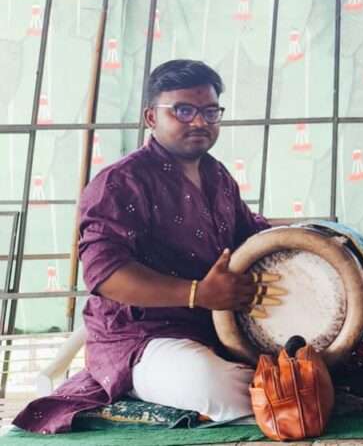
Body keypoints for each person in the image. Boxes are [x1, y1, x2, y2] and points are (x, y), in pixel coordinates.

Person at [15, 60, 274, 434]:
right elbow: (105, 275)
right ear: (151, 117)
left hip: (213, 327)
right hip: (139, 338)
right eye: (183, 110)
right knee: (231, 390)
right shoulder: (118, 183)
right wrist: (199, 293)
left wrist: (316, 234)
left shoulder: (217, 175)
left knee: (305, 371)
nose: (199, 122)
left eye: (210, 111)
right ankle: (132, 387)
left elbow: (251, 233)